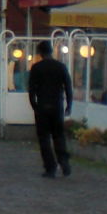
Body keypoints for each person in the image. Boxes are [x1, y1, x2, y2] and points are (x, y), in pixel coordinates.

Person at [27, 39, 73, 178]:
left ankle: (50, 167)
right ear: (51, 51)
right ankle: (63, 161)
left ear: (40, 53)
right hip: (57, 105)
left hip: (42, 105)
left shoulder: (36, 68)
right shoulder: (61, 67)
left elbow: (31, 90)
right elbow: (68, 87)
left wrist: (34, 105)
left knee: (44, 138)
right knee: (59, 135)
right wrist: (69, 105)